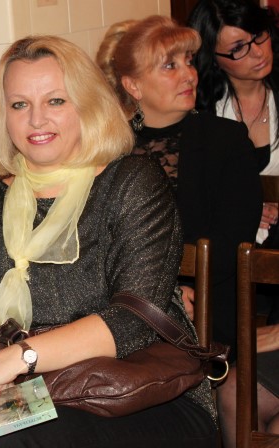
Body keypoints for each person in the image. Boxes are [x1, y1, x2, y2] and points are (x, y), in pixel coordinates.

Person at [0, 35, 218, 447]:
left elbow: (135, 320)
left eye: (56, 101)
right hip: (34, 393)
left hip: (145, 390)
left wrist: (18, 358)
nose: (37, 120)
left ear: (88, 105)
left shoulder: (132, 182)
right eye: (19, 105)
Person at [96, 14, 261, 363]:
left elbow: (231, 243)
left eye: (188, 61)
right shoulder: (108, 150)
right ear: (133, 86)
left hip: (206, 304)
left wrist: (175, 293)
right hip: (124, 306)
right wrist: (159, 294)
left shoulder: (226, 141)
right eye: (170, 66)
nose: (189, 74)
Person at [189, 0, 279, 247]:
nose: (258, 52)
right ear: (213, 58)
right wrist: (246, 209)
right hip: (227, 246)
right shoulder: (200, 112)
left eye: (258, 35)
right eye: (238, 48)